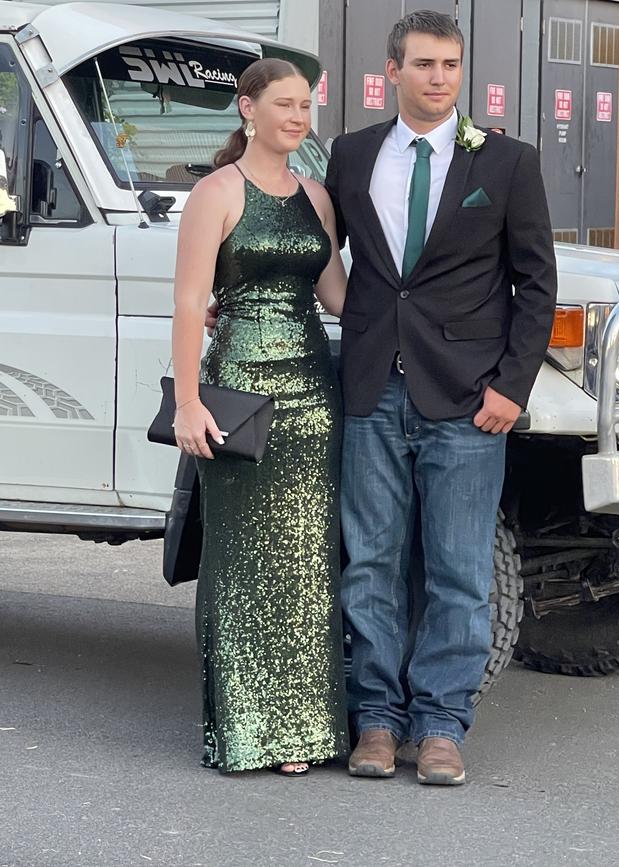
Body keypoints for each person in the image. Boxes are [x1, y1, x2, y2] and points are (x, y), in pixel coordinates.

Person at [324, 10, 557, 785]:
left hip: (467, 401)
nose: (439, 78)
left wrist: (512, 389)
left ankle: (441, 725)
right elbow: (325, 257)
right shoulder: (353, 157)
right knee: (370, 566)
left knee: (459, 570)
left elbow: (536, 285)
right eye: (424, 64)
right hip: (370, 392)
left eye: (451, 65)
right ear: (391, 70)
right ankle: (379, 723)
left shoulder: (507, 162)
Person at [172, 57, 349, 776]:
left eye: (306, 105)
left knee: (307, 562)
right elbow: (189, 305)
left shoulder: (317, 195)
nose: (299, 116)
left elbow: (339, 298)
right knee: (241, 563)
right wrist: (187, 401)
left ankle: (302, 732)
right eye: (284, 103)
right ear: (247, 108)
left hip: (312, 395)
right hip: (238, 396)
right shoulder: (215, 193)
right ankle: (246, 728)